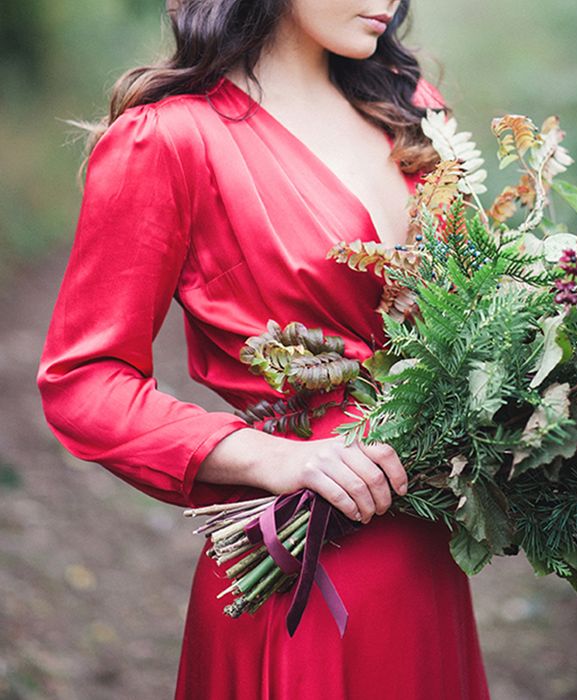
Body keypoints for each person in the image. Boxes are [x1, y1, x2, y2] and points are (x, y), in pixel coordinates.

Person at [37, 1, 490, 697]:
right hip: (302, 561)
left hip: (428, 543)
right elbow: (84, 380)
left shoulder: (415, 110)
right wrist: (277, 456)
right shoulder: (167, 140)